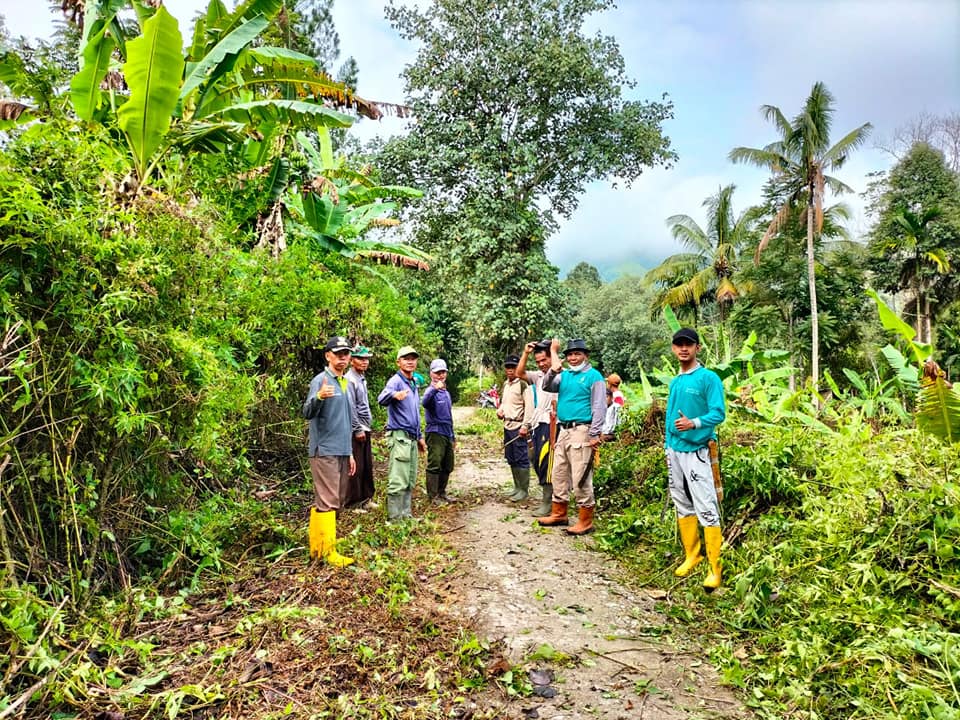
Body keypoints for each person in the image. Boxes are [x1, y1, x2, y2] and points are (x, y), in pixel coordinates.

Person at [664, 327, 726, 590]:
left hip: (697, 450)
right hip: (673, 450)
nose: (683, 349)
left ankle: (715, 567)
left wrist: (694, 423)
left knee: (705, 504)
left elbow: (718, 413)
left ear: (697, 348)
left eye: (688, 344)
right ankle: (693, 554)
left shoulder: (708, 378)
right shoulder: (676, 381)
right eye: (679, 345)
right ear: (673, 348)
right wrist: (667, 443)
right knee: (681, 501)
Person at [302, 336, 361, 567]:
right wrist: (318, 397)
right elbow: (307, 412)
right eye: (338, 354)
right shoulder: (321, 381)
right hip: (324, 449)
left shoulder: (344, 382)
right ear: (328, 356)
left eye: (346, 353)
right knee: (328, 501)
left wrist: (350, 453)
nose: (343, 357)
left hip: (341, 449)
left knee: (333, 499)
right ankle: (328, 553)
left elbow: (345, 421)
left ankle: (318, 548)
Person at [537, 338, 605, 535]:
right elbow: (546, 386)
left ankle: (585, 520)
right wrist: (553, 369)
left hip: (582, 430)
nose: (573, 358)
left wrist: (595, 433)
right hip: (563, 430)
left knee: (580, 476)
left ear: (585, 355)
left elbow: (599, 406)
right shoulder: (564, 376)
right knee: (559, 472)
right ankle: (559, 513)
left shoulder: (594, 377)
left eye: (577, 354)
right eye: (569, 355)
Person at [377, 346, 427, 521]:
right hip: (399, 436)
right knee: (398, 478)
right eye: (406, 358)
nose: (410, 361)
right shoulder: (396, 381)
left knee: (409, 478)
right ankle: (395, 518)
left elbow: (414, 413)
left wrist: (420, 436)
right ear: (398, 362)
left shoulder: (413, 382)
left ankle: (406, 515)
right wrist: (394, 395)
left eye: (413, 358)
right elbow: (381, 399)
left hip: (412, 437)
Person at [516, 339, 558, 516]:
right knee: (537, 461)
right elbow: (520, 373)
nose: (541, 364)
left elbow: (556, 368)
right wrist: (525, 353)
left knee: (547, 463)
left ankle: (548, 503)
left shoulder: (560, 374)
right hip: (538, 423)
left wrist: (554, 350)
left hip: (552, 424)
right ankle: (547, 500)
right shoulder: (538, 376)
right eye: (538, 361)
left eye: (544, 360)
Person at [496, 354, 534, 501]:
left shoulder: (523, 384)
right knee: (511, 457)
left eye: (513, 367)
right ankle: (516, 487)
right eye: (508, 367)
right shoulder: (506, 384)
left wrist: (525, 426)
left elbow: (529, 406)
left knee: (521, 457)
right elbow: (504, 403)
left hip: (519, 426)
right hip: (507, 424)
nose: (510, 370)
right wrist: (500, 411)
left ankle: (524, 490)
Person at [344, 344, 375, 510]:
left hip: (365, 426)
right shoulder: (349, 380)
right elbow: (350, 407)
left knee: (366, 465)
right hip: (357, 428)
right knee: (356, 466)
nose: (364, 362)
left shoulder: (361, 378)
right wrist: (357, 428)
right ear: (352, 361)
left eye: (366, 359)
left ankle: (366, 498)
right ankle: (353, 502)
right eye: (360, 359)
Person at [422, 358, 456, 504]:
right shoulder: (431, 391)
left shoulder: (446, 393)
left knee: (448, 464)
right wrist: (435, 388)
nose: (441, 375)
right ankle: (433, 496)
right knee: (435, 463)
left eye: (443, 372)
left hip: (447, 431)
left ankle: (442, 493)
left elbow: (449, 416)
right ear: (431, 374)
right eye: (437, 373)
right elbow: (424, 402)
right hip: (435, 431)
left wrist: (453, 436)